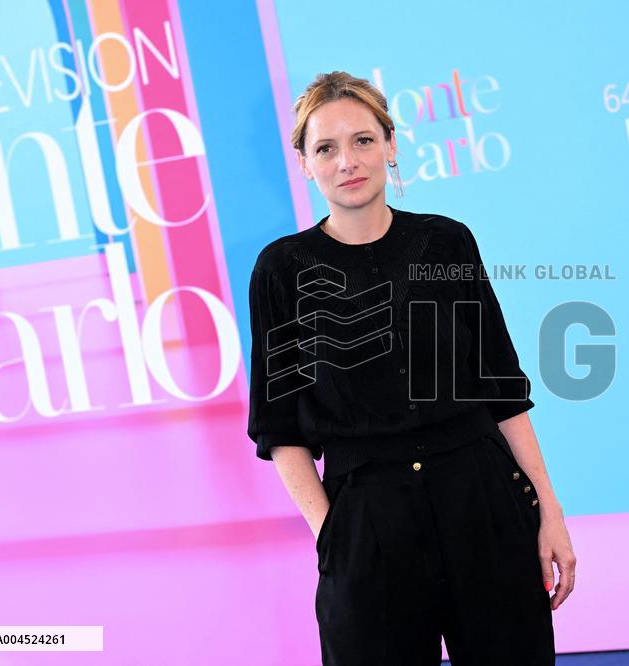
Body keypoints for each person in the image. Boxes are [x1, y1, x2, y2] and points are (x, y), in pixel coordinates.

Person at [246, 70, 576, 665]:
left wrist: (548, 510)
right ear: (304, 162)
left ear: (390, 145)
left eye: (363, 140)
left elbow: (501, 388)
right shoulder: (282, 270)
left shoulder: (447, 243)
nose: (347, 160)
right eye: (326, 147)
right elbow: (279, 428)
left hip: (481, 501)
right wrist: (335, 537)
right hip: (367, 519)